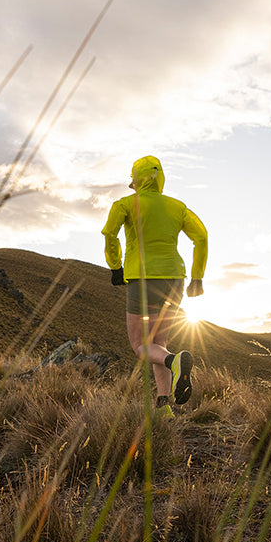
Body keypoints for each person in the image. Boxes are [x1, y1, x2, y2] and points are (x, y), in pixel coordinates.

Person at [102, 155, 208, 418]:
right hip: (175, 279)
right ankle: (164, 406)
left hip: (142, 279)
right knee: (158, 343)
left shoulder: (125, 204)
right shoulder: (177, 206)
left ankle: (174, 360)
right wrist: (197, 277)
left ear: (136, 181)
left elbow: (109, 234)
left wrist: (116, 267)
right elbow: (202, 237)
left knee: (140, 346)